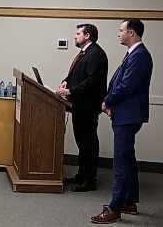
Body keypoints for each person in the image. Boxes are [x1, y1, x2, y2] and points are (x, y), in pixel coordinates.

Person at [91, 19, 153, 224]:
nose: (118, 34)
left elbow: (126, 85)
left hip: (129, 115)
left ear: (132, 33)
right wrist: (110, 102)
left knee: (120, 163)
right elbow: (120, 81)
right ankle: (129, 201)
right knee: (127, 158)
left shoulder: (141, 55)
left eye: (121, 30)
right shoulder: (133, 54)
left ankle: (115, 208)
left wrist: (107, 101)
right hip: (125, 112)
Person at [56, 24, 108, 192]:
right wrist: (66, 80)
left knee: (88, 143)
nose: (75, 36)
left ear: (87, 35)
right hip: (79, 106)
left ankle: (89, 179)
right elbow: (79, 74)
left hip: (88, 107)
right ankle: (82, 174)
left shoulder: (96, 54)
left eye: (78, 33)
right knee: (82, 142)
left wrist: (70, 90)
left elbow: (92, 81)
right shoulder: (85, 52)